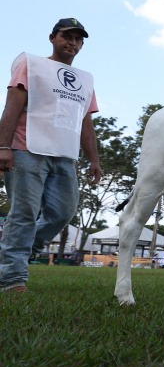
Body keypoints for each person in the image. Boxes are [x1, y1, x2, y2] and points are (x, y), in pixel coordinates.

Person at [0, 18, 101, 293]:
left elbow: (86, 122)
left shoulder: (84, 80)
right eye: (67, 36)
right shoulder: (31, 65)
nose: (72, 42)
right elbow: (12, 106)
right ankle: (12, 278)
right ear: (52, 38)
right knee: (24, 213)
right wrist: (3, 147)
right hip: (27, 148)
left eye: (78, 39)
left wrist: (94, 159)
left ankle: (14, 252)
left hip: (64, 155)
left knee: (63, 212)